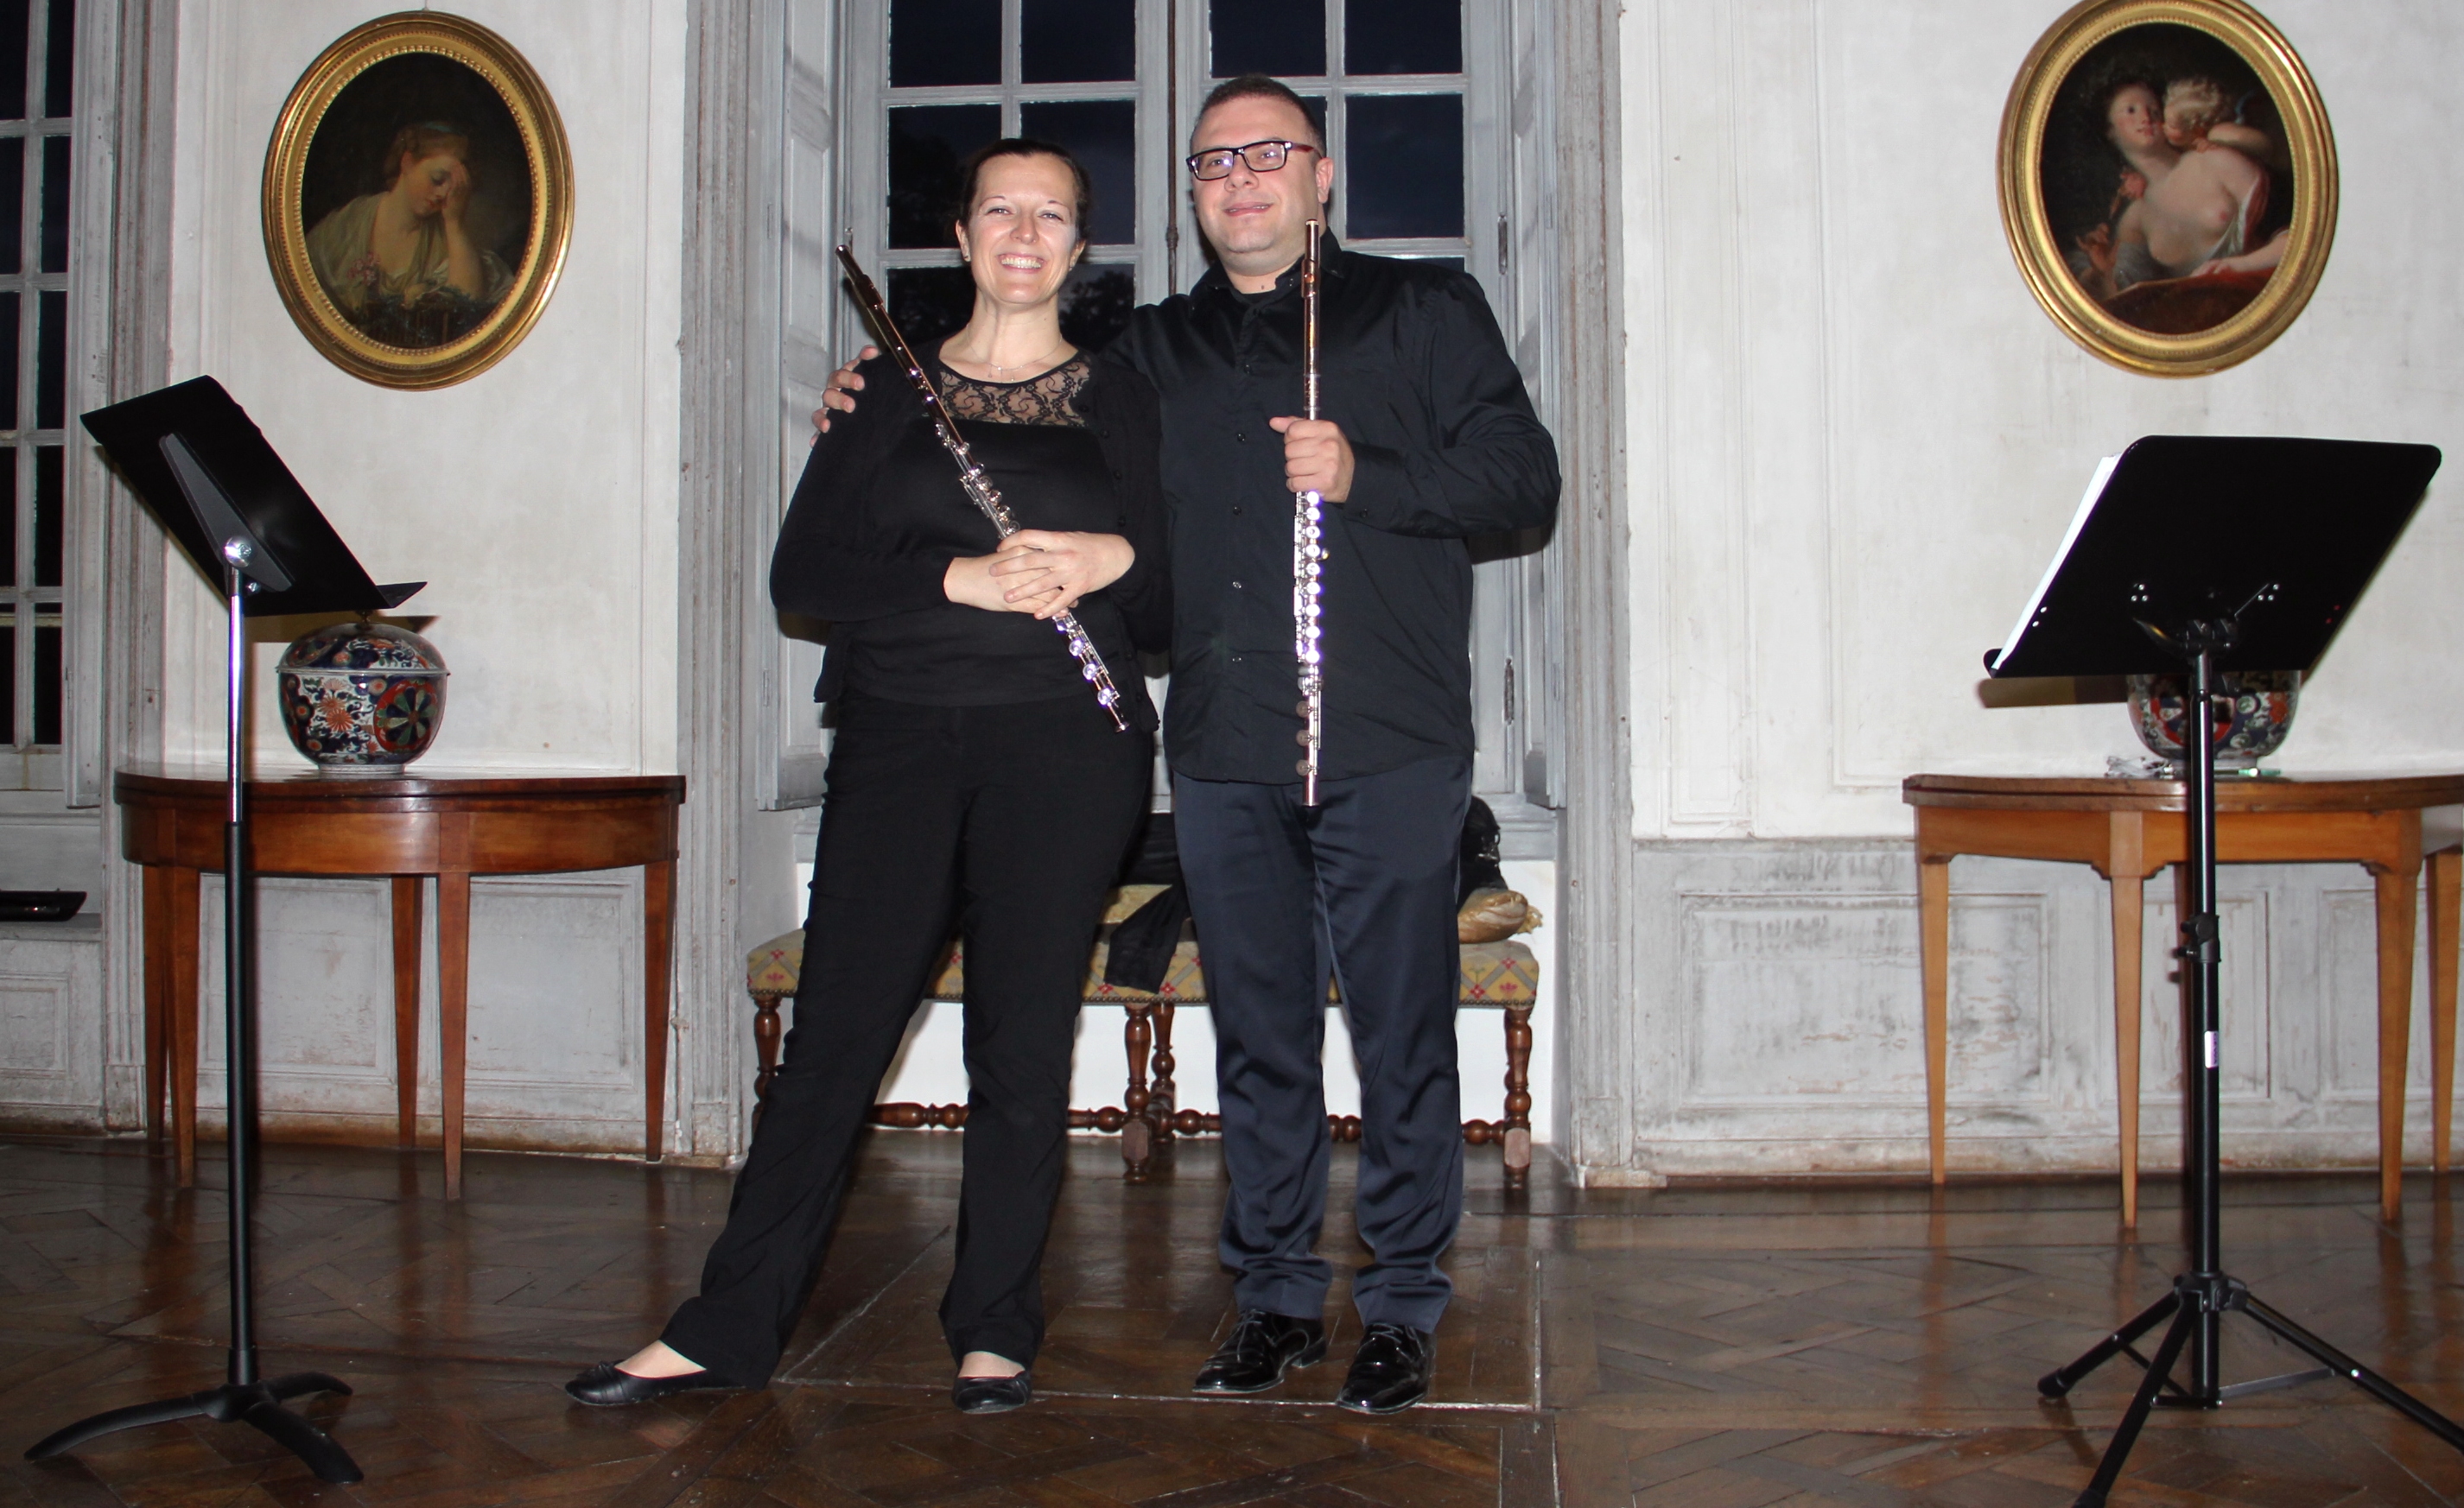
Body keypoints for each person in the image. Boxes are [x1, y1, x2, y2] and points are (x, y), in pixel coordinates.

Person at [832, 77, 1559, 1412]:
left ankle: (1399, 1302)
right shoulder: (1148, 352)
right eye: (1212, 161)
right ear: (1190, 189)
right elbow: (1012, 375)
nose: (1240, 180)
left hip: (1389, 739)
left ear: (1320, 175)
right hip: (1223, 745)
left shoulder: (1424, 310)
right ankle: (1274, 1295)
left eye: (1267, 155)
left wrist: (1367, 475)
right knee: (1261, 1037)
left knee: (1401, 1036)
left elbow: (1525, 481)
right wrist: (877, 392)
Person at [566, 139, 1166, 1416]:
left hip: (1066, 750)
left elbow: (1171, 587)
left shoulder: (1121, 397)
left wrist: (1103, 553)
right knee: (835, 1037)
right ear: (959, 236)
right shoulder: (883, 395)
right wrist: (954, 579)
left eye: (1049, 215)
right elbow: (805, 581)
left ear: (1078, 245)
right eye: (997, 208)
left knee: (1021, 1039)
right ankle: (723, 1325)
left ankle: (993, 1326)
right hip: (897, 738)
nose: (1022, 232)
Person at [2074, 79, 2287, 302]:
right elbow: (2130, 301)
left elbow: (2295, 232)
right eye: (2131, 110)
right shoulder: (2134, 221)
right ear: (2110, 131)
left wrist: (2238, 266)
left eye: (2154, 109)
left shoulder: (2216, 160)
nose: (2146, 117)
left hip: (2267, 295)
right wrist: (2102, 273)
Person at [303, 122, 515, 346]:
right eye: (437, 179)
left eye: (453, 187)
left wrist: (454, 223)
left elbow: (465, 307)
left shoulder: (451, 242)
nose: (444, 193)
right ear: (407, 162)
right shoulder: (346, 226)